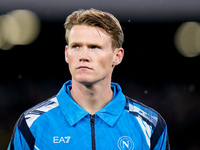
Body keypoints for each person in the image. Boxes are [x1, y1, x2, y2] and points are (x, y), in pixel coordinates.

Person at [8, 8, 170, 150]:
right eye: (76, 46)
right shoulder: (32, 124)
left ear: (117, 56)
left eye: (94, 47)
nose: (83, 56)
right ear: (66, 53)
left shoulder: (150, 125)